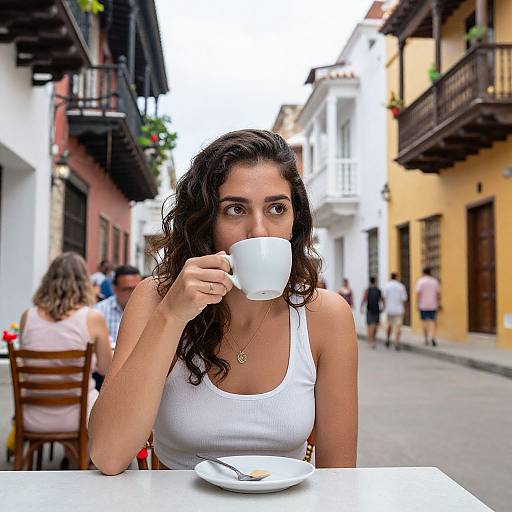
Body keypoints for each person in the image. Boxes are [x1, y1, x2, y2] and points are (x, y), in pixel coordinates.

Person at [89, 129, 358, 475]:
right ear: (205, 222)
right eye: (235, 209)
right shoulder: (156, 299)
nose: (259, 231)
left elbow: (339, 477)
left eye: (277, 208)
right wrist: (172, 315)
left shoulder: (327, 316)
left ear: (295, 222)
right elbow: (108, 455)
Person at [18, 253, 112, 442]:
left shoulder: (28, 316)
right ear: (83, 282)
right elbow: (105, 369)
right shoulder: (92, 318)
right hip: (80, 416)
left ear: (48, 281)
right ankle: (87, 459)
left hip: (32, 415)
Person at [93, 265, 142, 390]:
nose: (133, 294)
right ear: (115, 288)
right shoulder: (99, 311)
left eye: (137, 289)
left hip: (138, 372)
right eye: (127, 289)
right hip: (106, 373)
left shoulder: (151, 312)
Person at [382, 273, 408, 351]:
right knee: (398, 326)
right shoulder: (401, 286)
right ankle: (397, 343)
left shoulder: (387, 286)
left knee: (389, 325)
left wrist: (384, 306)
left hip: (389, 309)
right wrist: (405, 308)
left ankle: (387, 339)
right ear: (397, 277)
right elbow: (404, 299)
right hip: (399, 309)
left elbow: (383, 297)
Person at [416, 267, 441, 347]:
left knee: (424, 321)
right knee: (433, 321)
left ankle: (426, 339)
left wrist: (417, 303)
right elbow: (438, 294)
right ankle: (433, 337)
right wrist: (438, 302)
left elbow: (418, 293)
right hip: (433, 304)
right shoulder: (435, 281)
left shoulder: (421, 281)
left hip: (423, 305)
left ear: (423, 273)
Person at [361, 277, 383, 349]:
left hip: (371, 310)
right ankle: (372, 340)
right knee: (373, 326)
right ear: (375, 281)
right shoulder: (377, 290)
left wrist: (361, 307)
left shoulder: (368, 290)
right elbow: (382, 300)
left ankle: (371, 339)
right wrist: (383, 307)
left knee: (372, 326)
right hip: (374, 311)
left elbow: (364, 299)